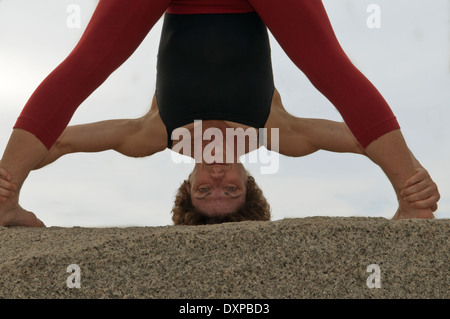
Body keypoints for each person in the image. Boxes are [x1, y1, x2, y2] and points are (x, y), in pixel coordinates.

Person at [0, 0, 440, 227]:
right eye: (230, 192)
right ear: (248, 183)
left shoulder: (153, 134)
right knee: (328, 66)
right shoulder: (277, 133)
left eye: (204, 193)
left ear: (186, 185)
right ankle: (416, 205)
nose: (216, 181)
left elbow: (59, 142)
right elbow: (364, 140)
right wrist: (410, 186)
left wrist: (9, 184)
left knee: (87, 63)